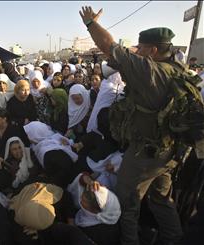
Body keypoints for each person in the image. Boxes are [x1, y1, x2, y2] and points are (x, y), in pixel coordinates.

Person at [79, 4, 184, 244]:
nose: (137, 50)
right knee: (160, 200)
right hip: (169, 149)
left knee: (127, 204)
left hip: (144, 153)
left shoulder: (149, 70)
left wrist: (90, 24)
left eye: (142, 47)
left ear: (154, 50)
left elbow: (109, 47)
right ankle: (174, 238)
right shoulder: (178, 69)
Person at [67, 173, 121, 245]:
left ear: (95, 211)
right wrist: (91, 182)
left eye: (84, 201)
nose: (80, 201)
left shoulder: (100, 235)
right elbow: (82, 177)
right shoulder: (107, 213)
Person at [23, 121, 78, 187]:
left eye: (29, 134)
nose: (28, 137)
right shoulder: (51, 139)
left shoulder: (47, 150)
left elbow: (65, 168)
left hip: (65, 184)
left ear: (36, 135)